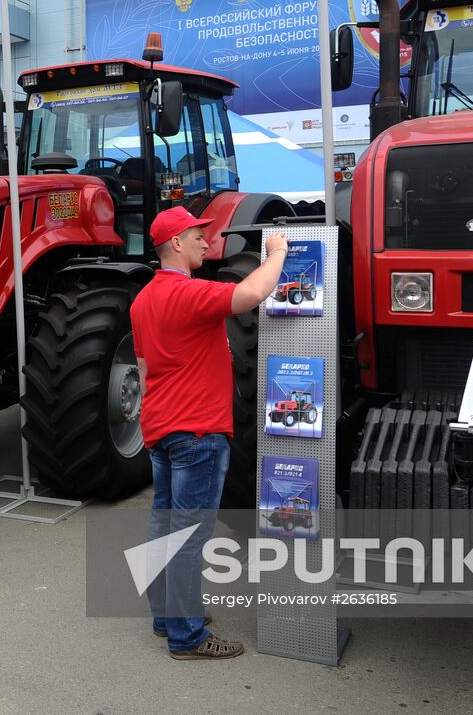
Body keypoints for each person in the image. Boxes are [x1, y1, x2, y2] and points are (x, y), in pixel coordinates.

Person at [130, 205, 289, 660]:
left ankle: (167, 618)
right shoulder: (187, 293)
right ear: (175, 243)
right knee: (189, 536)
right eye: (197, 235)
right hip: (198, 431)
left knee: (164, 527)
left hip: (162, 430)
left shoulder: (143, 301)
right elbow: (252, 292)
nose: (206, 241)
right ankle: (188, 637)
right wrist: (275, 253)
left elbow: (142, 368)